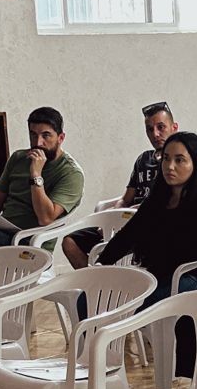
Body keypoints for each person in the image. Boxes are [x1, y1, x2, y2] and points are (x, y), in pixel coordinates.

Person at [98, 131, 197, 307]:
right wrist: (101, 264)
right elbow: (128, 234)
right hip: (153, 274)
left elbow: (192, 255)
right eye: (166, 158)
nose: (170, 166)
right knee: (87, 298)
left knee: (122, 305)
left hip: (185, 280)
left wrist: (140, 274)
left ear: (195, 164)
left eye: (179, 160)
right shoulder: (158, 198)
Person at [62, 101, 173, 269]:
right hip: (123, 221)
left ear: (174, 127)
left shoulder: (175, 165)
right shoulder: (143, 159)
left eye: (161, 127)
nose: (155, 134)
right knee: (70, 242)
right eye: (150, 129)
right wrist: (111, 217)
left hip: (149, 226)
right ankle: (96, 281)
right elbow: (125, 199)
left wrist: (132, 213)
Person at [0, 108, 84, 251]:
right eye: (33, 135)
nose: (38, 142)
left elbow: (45, 218)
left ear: (60, 138)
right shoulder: (18, 158)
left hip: (30, 244)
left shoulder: (71, 173)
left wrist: (36, 175)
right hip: (1, 234)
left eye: (46, 135)